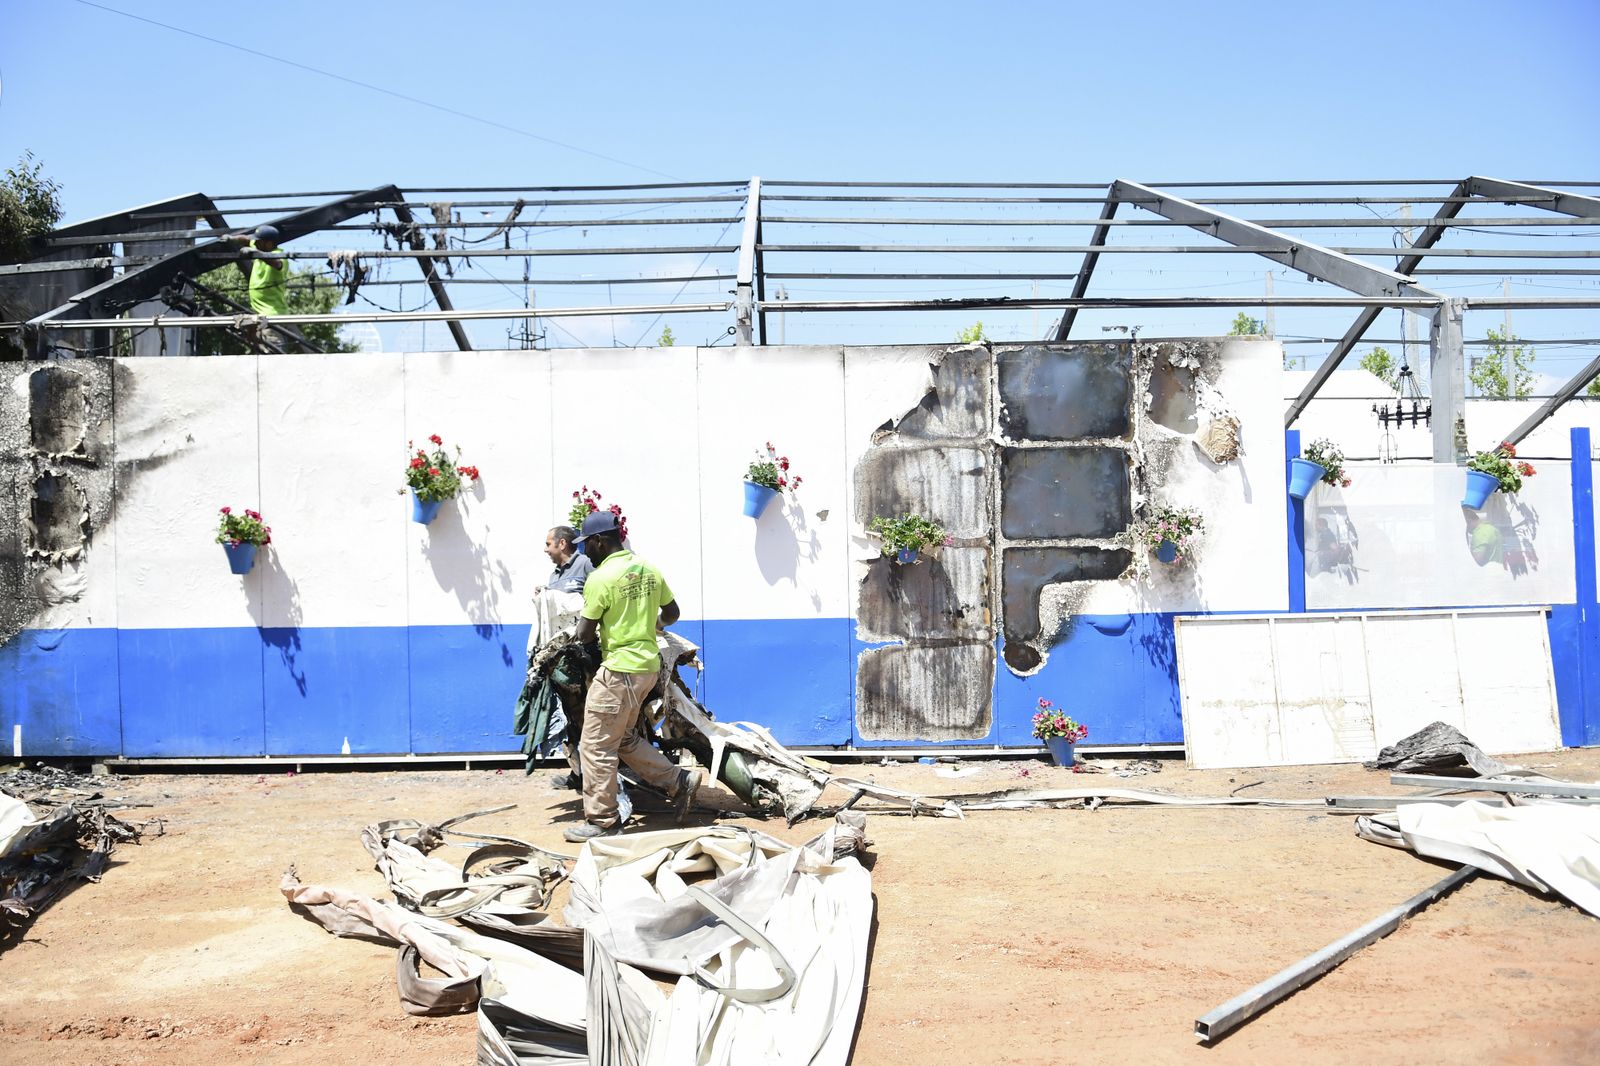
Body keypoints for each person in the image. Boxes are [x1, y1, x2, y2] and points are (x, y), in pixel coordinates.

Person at [563, 510, 700, 842]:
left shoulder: (601, 578)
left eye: (586, 545)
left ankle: (603, 820)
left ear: (599, 541)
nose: (584, 552)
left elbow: (583, 634)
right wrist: (651, 626)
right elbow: (673, 613)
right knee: (622, 739)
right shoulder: (648, 569)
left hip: (619, 670)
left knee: (594, 744)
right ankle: (677, 781)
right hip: (647, 669)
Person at [543, 525, 593, 593]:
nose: (545, 550)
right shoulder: (554, 576)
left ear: (562, 543)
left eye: (548, 544)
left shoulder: (586, 564)